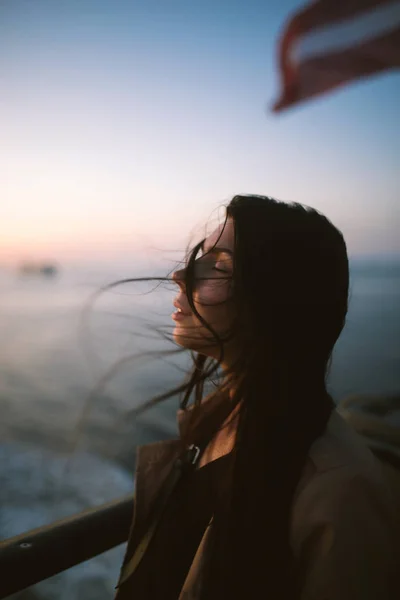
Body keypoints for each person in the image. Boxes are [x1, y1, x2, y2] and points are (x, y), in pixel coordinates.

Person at [115, 195, 397, 599]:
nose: (180, 275)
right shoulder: (218, 421)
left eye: (219, 266)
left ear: (277, 300)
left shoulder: (340, 494)